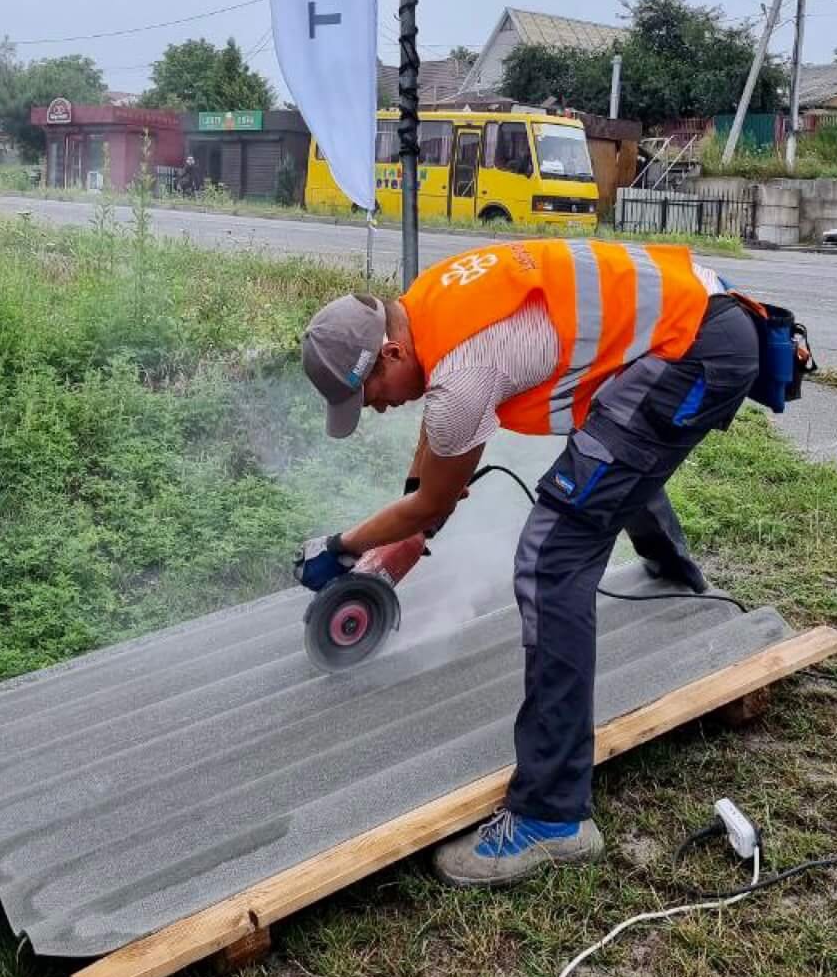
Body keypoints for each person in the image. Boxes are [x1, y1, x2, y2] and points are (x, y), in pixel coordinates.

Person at [295, 239, 763, 888]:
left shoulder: (457, 374)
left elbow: (439, 478)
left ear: (391, 353)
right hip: (689, 321)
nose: (373, 407)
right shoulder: (429, 302)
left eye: (367, 392)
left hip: (690, 349)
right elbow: (438, 447)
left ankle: (553, 817)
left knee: (552, 555)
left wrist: (343, 547)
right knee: (610, 457)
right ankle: (675, 574)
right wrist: (409, 532)